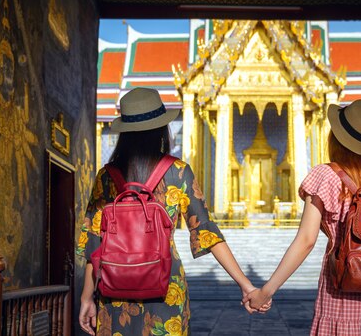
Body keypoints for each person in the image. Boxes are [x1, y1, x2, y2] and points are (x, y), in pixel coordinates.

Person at [78, 87, 265, 335]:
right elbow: (206, 231)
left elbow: (94, 244)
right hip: (165, 287)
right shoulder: (178, 172)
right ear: (161, 129)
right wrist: (246, 285)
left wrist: (86, 298)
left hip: (114, 290)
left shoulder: (106, 177)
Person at [243, 99, 361, 335]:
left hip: (340, 294)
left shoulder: (326, 177)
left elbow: (306, 241)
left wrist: (265, 292)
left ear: (337, 139)